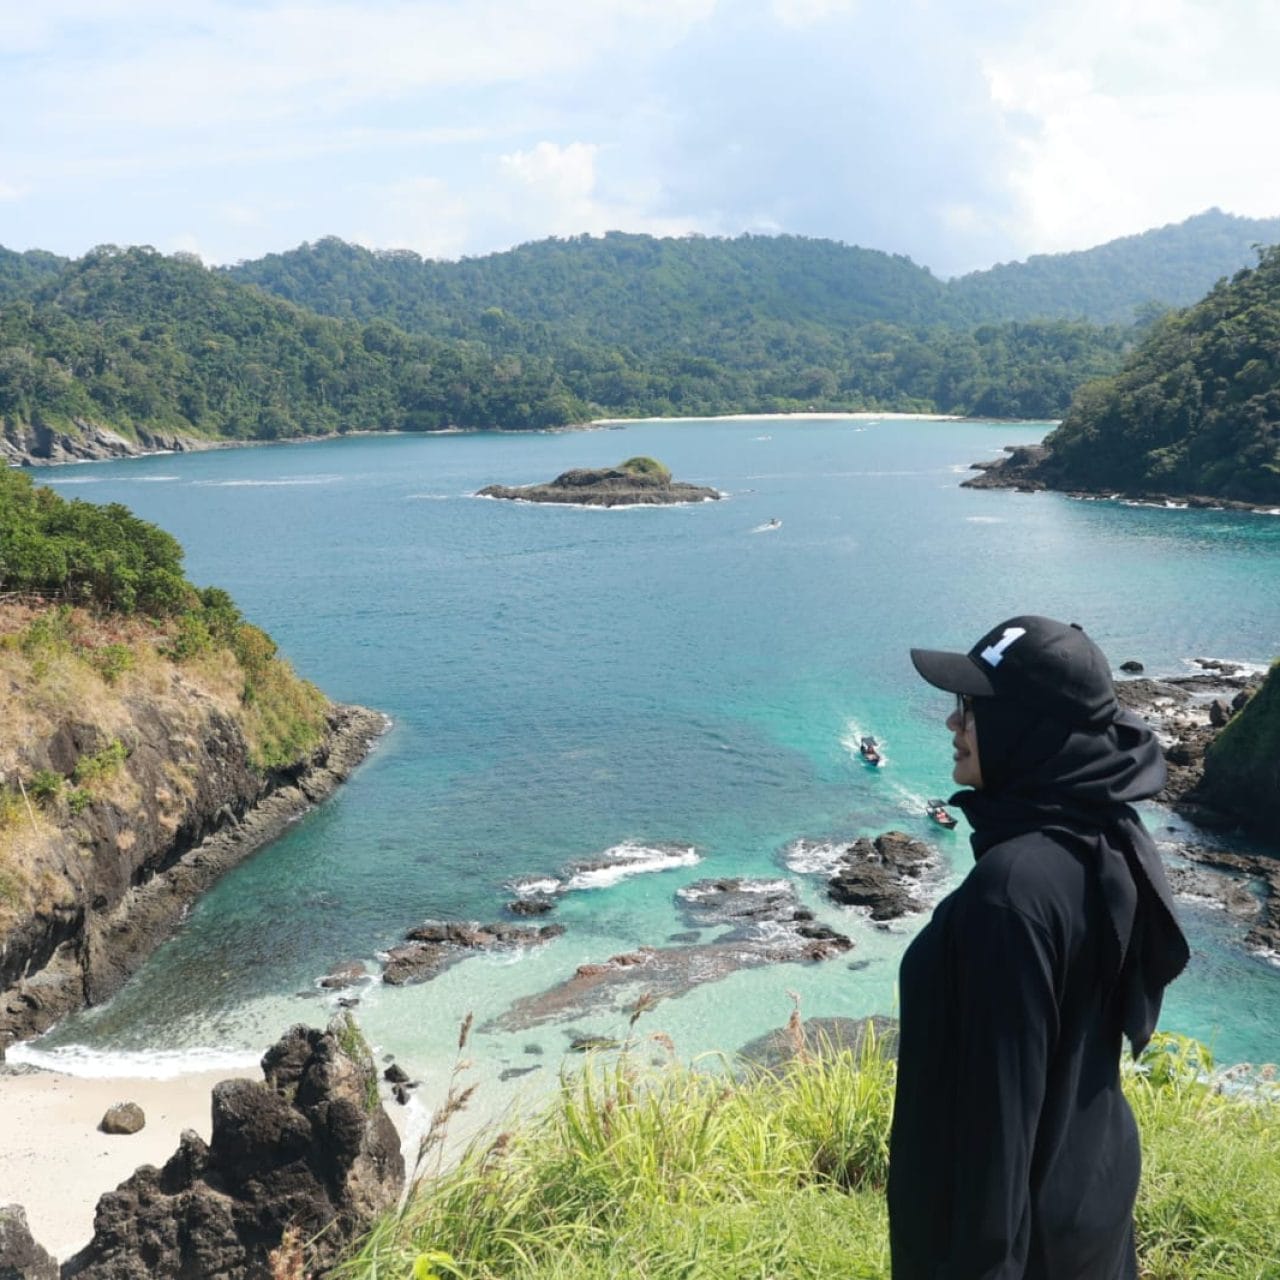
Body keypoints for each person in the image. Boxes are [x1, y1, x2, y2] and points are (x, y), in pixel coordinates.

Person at [887, 615, 1189, 1280]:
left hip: (1021, 1249)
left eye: (969, 708)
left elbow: (995, 1135)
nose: (952, 725)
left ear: (1025, 730)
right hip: (1088, 1206)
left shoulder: (1011, 893)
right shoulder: (1104, 841)